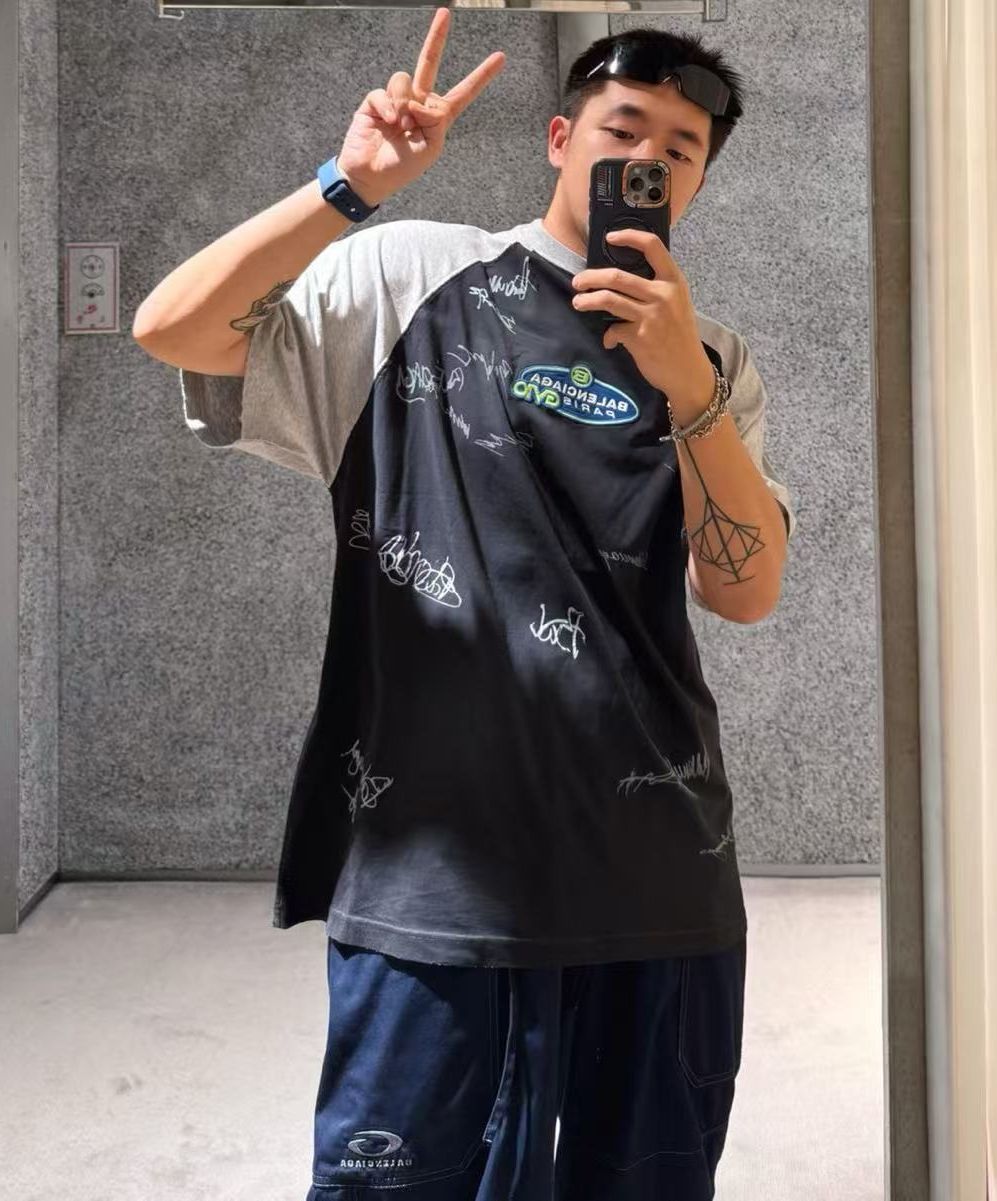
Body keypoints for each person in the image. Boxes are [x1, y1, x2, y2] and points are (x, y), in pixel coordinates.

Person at [134, 9, 794, 1198]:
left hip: (657, 866)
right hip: (432, 871)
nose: (643, 160)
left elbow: (742, 591)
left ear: (696, 183)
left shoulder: (711, 358)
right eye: (620, 130)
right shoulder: (407, 280)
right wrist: (349, 186)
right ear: (559, 138)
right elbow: (170, 326)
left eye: (677, 150)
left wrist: (684, 386)